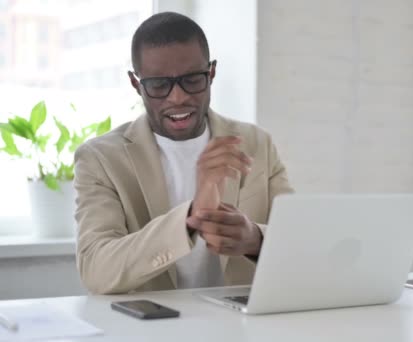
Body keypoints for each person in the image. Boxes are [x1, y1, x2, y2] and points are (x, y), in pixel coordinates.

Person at [74, 12, 293, 295]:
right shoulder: (100, 159)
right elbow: (96, 271)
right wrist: (191, 217)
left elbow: (299, 243)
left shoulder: (256, 143)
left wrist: (256, 239)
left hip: (241, 328)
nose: (177, 97)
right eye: (158, 85)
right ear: (136, 84)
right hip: (152, 331)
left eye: (192, 80)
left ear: (211, 73)